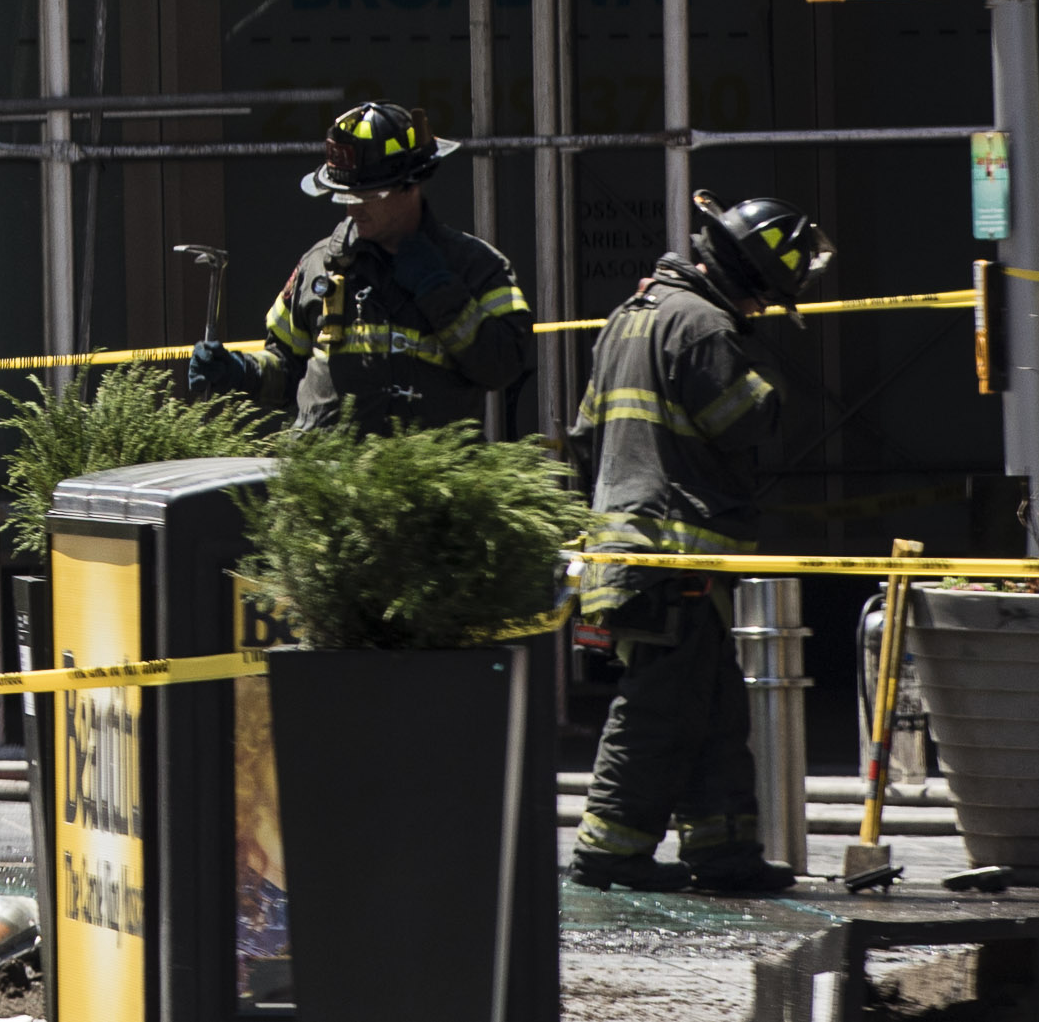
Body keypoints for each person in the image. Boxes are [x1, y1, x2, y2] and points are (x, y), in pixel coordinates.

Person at [569, 191, 831, 897]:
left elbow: (586, 428)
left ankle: (725, 852)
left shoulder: (631, 316)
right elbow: (744, 421)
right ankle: (607, 848)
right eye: (767, 299)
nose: (763, 311)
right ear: (750, 279)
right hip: (672, 553)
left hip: (633, 550)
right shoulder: (705, 326)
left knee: (713, 707)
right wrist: (765, 377)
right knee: (658, 708)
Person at [191, 103, 534, 429]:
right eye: (345, 197)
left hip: (430, 484)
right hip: (325, 481)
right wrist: (240, 371)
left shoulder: (476, 267)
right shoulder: (318, 264)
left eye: (368, 197)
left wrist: (441, 291)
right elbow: (286, 366)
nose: (353, 210)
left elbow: (501, 367)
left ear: (411, 186)